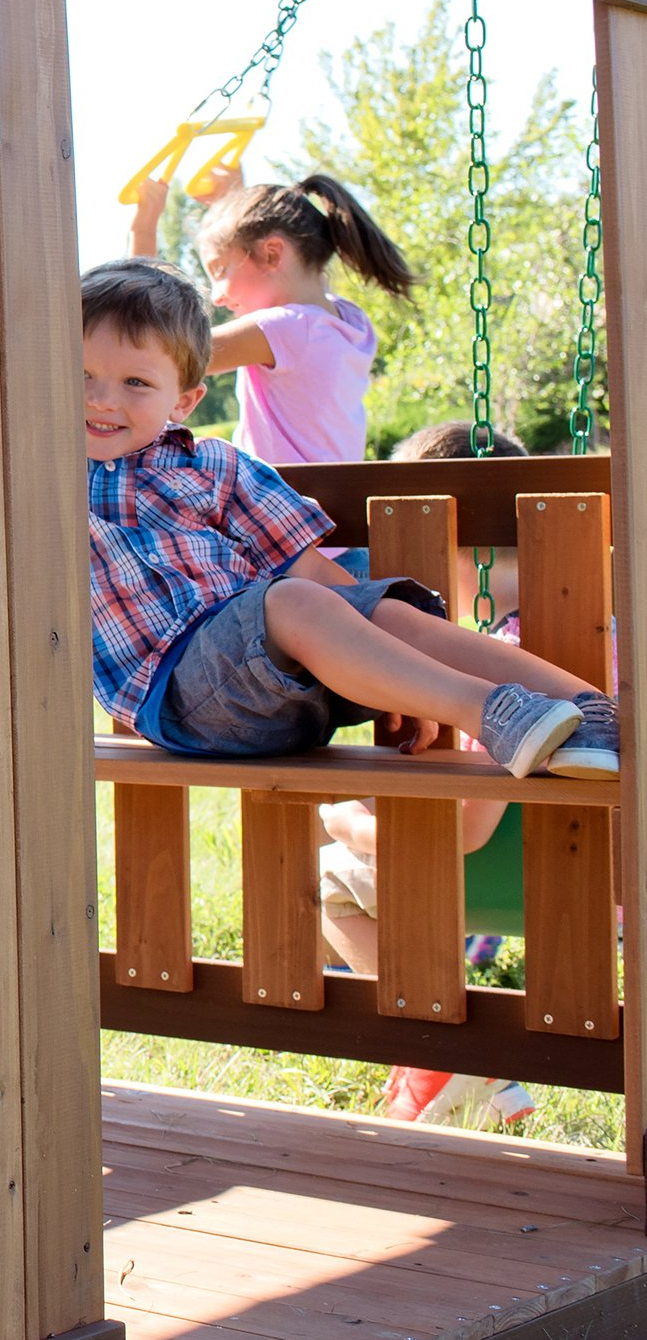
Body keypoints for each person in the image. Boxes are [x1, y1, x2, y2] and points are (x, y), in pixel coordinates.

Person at [82, 259, 615, 791]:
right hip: (177, 693)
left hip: (292, 682)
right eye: (82, 374)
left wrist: (405, 677)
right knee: (292, 600)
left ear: (184, 400)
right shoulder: (40, 476)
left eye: (135, 382)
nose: (103, 398)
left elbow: (312, 569)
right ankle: (488, 712)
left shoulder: (215, 465)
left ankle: (596, 713)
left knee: (382, 611)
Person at [318, 424, 539, 1125]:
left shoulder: (489, 664)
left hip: (520, 881)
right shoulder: (600, 629)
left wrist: (345, 820)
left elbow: (467, 834)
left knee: (324, 883)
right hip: (616, 887)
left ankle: (446, 1061)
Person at [130, 172, 415, 577]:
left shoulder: (282, 329)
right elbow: (265, 261)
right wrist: (233, 196)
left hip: (289, 547)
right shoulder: (349, 322)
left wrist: (144, 226)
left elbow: (160, 349)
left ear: (272, 254)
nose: (219, 294)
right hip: (340, 544)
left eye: (220, 269)